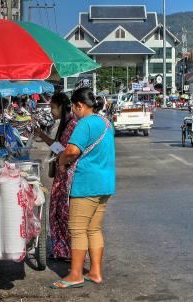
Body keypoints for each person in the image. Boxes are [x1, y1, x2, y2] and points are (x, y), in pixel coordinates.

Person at [51, 88, 115, 289]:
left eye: (73, 107)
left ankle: (76, 274)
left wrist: (61, 160)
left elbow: (71, 151)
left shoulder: (84, 123)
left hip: (86, 184)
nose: (73, 111)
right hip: (105, 184)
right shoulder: (106, 122)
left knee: (77, 229)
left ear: (79, 105)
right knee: (93, 228)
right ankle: (95, 272)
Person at [34, 93, 77, 260]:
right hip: (61, 174)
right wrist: (42, 135)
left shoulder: (72, 125)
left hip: (67, 175)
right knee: (57, 212)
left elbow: (66, 151)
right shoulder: (64, 125)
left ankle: (70, 251)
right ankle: (62, 250)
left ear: (61, 106)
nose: (51, 111)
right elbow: (59, 146)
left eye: (52, 107)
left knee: (64, 213)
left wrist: (61, 159)